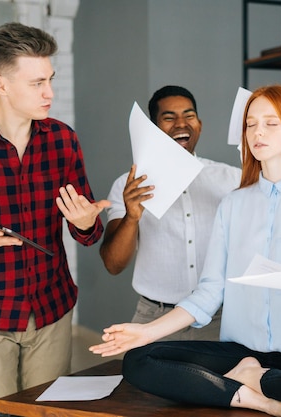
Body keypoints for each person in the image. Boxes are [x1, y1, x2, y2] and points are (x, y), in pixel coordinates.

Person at [90, 85, 281, 417]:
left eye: (270, 123)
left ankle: (250, 381)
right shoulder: (233, 203)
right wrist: (145, 331)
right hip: (240, 351)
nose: (256, 132)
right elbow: (210, 290)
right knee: (138, 360)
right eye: (250, 124)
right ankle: (250, 395)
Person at [0, 22, 109, 417]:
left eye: (51, 79)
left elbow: (87, 234)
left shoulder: (63, 140)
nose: (50, 93)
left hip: (52, 309)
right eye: (36, 82)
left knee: (49, 413)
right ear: (1, 84)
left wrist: (87, 223)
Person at [99, 85, 240, 340]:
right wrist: (132, 216)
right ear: (153, 129)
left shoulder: (232, 178)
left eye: (189, 115)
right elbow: (113, 264)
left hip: (220, 317)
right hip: (154, 317)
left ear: (200, 124)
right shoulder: (128, 185)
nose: (181, 123)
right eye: (168, 117)